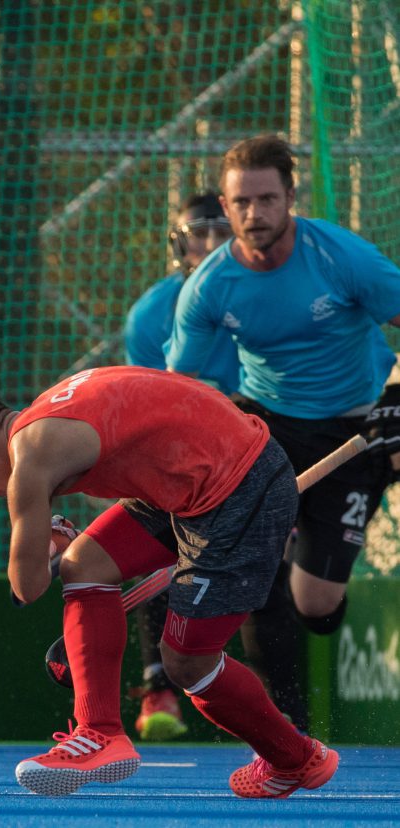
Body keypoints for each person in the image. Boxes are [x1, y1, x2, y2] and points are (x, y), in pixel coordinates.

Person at [0, 367, 338, 798]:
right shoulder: (46, 414)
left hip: (238, 485)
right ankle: (98, 734)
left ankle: (297, 758)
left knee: (187, 663)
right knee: (84, 565)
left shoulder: (32, 456)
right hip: (188, 474)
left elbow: (26, 588)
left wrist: (39, 534)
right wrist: (54, 538)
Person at [168, 134, 400, 669]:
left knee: (317, 609)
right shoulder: (208, 286)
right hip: (265, 424)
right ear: (225, 207)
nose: (255, 213)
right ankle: (282, 727)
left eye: (267, 199)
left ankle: (311, 538)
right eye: (242, 203)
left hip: (353, 426)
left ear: (290, 197)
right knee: (249, 568)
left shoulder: (343, 258)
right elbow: (176, 387)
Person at [121, 192, 237, 741]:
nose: (210, 243)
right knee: (153, 543)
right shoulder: (149, 314)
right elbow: (149, 407)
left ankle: (260, 699)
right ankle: (157, 688)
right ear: (179, 242)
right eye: (198, 232)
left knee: (267, 566)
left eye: (221, 229)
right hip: (177, 453)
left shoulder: (260, 295)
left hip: (254, 446)